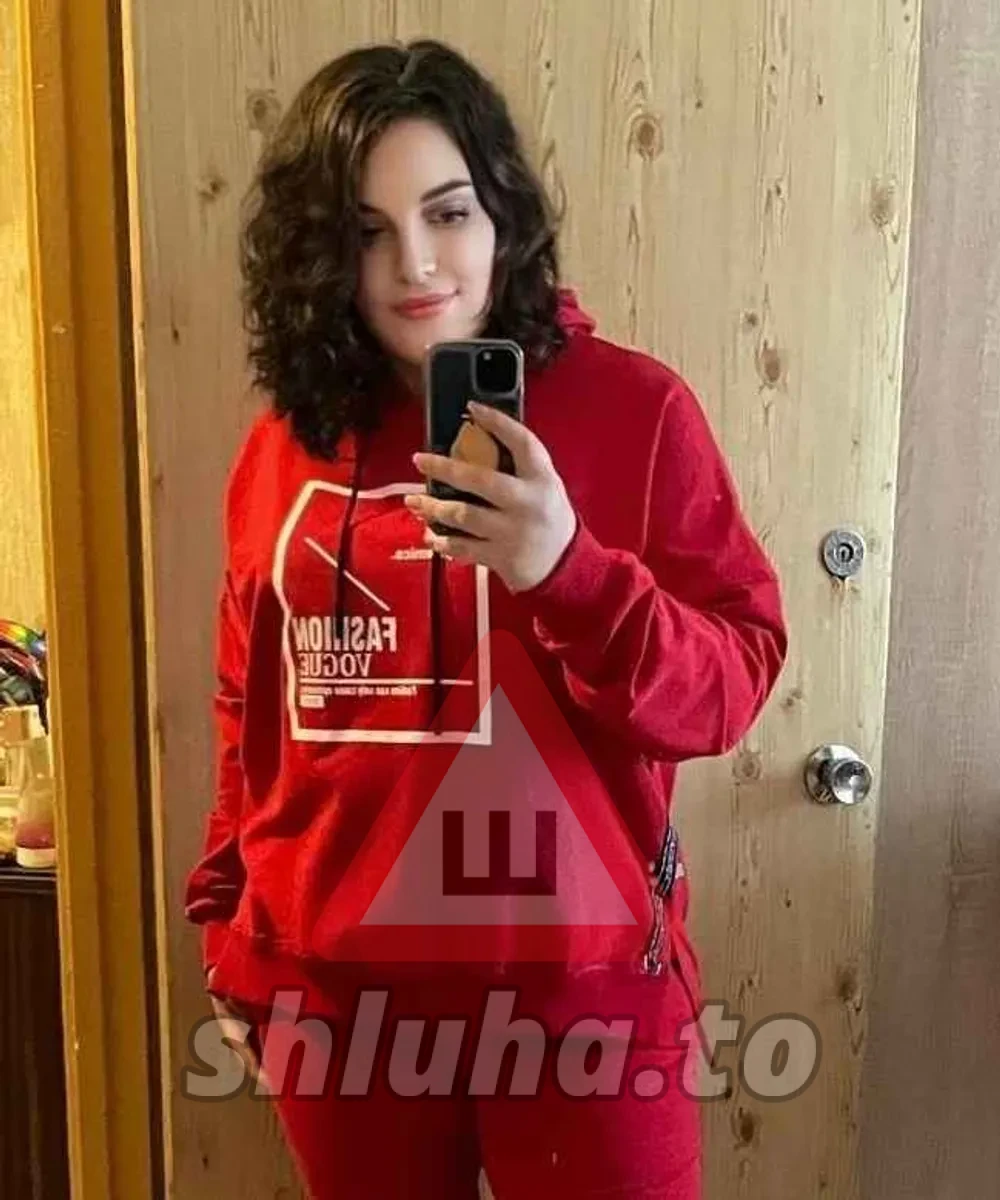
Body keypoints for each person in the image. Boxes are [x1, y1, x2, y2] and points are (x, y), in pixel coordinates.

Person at [184, 39, 787, 1200]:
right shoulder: (288, 444)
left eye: (447, 212)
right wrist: (230, 929)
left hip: (584, 1001)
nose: (414, 264)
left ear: (500, 212)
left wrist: (566, 570)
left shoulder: (634, 414)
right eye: (366, 231)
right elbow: (246, 708)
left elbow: (730, 686)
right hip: (341, 1007)